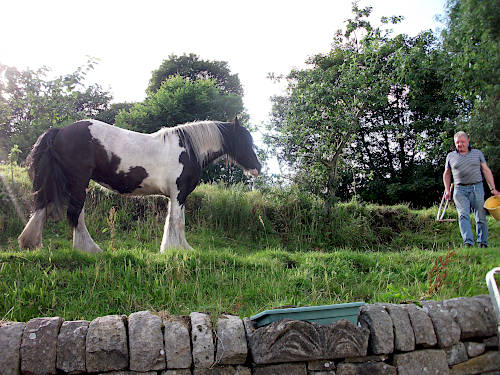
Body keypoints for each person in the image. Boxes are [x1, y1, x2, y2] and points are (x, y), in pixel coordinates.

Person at [443, 131, 499, 248]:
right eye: (457, 143)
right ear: (455, 143)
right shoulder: (451, 156)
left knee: (480, 216)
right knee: (463, 215)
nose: (460, 145)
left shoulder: (477, 154)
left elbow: (486, 170)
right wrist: (447, 190)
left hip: (476, 188)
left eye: (462, 142)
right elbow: (447, 174)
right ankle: (468, 242)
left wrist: (493, 188)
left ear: (468, 141)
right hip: (459, 190)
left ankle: (482, 242)